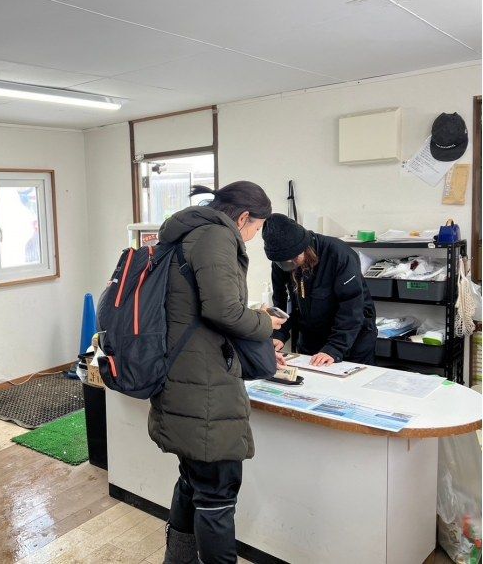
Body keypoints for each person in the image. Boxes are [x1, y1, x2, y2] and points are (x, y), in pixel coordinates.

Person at [148, 182, 285, 564]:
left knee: (194, 483)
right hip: (204, 388)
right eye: (256, 228)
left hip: (186, 376)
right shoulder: (215, 238)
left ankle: (178, 561)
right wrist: (264, 325)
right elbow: (222, 311)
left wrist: (253, 340)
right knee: (218, 494)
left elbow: (201, 316)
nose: (255, 237)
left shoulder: (190, 232)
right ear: (243, 218)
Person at [262, 214, 377, 366]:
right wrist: (279, 334)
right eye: (284, 263)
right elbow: (281, 301)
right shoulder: (281, 261)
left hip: (351, 337)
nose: (290, 265)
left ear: (305, 247)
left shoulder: (339, 255)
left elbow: (352, 308)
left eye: (294, 259)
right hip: (311, 335)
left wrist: (334, 348)